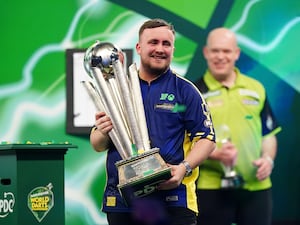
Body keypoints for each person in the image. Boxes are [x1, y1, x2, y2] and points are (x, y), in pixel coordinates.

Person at [90, 18, 216, 225]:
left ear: (173, 50)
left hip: (174, 201)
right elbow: (97, 143)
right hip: (123, 202)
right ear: (139, 48)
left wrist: (183, 168)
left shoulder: (185, 91)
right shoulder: (118, 90)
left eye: (166, 44)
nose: (160, 49)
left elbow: (207, 138)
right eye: (153, 42)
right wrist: (103, 131)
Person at [194, 27, 282, 225]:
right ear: (206, 53)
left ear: (236, 53)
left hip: (256, 187)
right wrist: (213, 152)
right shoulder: (194, 92)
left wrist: (268, 159)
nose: (220, 57)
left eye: (226, 51)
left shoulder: (256, 88)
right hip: (210, 187)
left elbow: (268, 135)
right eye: (215, 51)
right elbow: (186, 141)